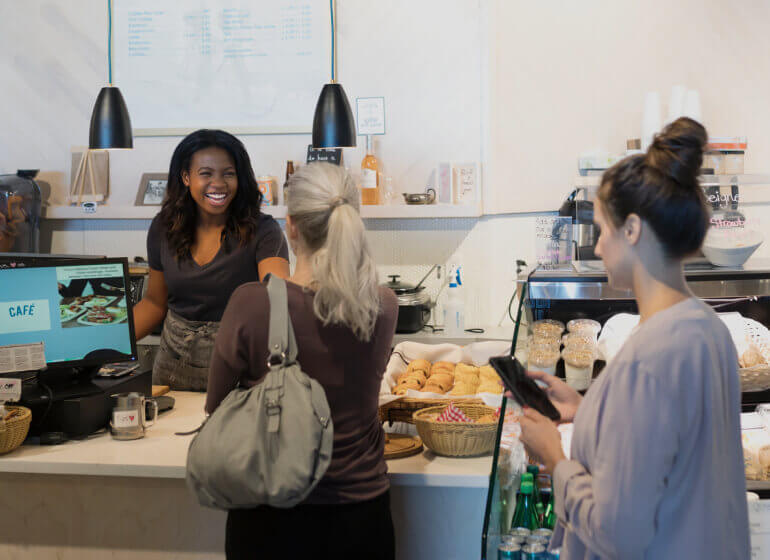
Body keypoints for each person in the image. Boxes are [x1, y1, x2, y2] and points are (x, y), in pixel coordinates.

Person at [519, 118, 750, 559]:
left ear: (632, 230)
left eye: (604, 230)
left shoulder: (650, 357)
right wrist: (588, 411)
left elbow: (619, 532)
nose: (600, 246)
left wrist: (555, 458)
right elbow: (671, 445)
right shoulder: (708, 329)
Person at [206, 163, 398, 560]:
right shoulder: (382, 305)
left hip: (268, 518)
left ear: (290, 227)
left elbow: (215, 411)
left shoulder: (251, 302)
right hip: (361, 516)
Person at [133, 129, 289, 391]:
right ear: (186, 177)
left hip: (238, 372)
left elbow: (279, 301)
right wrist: (102, 348)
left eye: (228, 174)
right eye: (206, 173)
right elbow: (153, 304)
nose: (218, 183)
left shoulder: (263, 231)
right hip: (172, 374)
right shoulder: (163, 227)